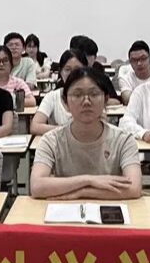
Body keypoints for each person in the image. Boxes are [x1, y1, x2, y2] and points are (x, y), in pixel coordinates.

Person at [30, 66, 142, 201]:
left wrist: (82, 192)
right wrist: (88, 180)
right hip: (65, 209)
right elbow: (36, 186)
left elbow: (134, 188)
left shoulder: (123, 140)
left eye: (94, 94)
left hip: (109, 208)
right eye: (77, 95)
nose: (86, 102)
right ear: (65, 102)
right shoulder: (51, 140)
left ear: (106, 99)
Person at [31, 49, 88, 135]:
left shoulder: (92, 96)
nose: (72, 74)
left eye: (77, 69)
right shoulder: (52, 97)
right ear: (61, 72)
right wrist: (66, 130)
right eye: (67, 69)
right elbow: (35, 127)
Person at [0, 43, 37, 108]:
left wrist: (8, 102)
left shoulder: (18, 82)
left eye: (5, 60)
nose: (1, 64)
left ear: (11, 64)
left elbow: (32, 101)